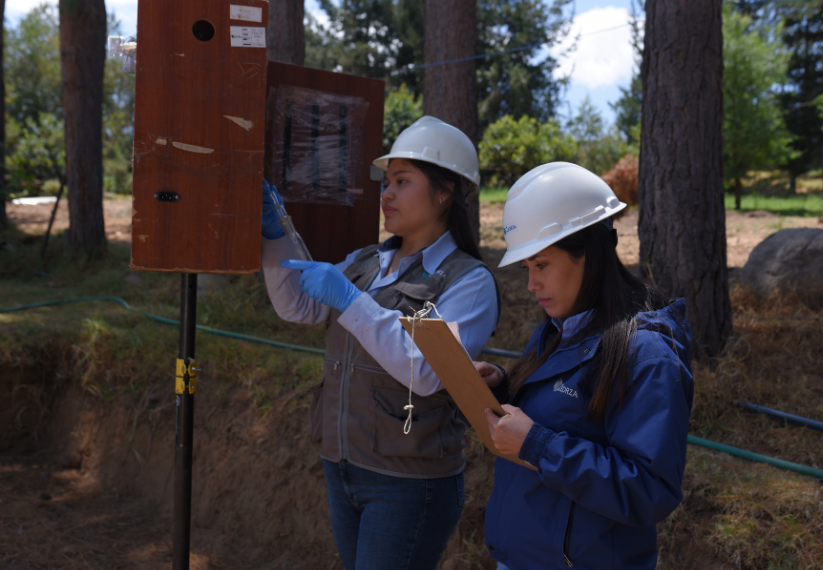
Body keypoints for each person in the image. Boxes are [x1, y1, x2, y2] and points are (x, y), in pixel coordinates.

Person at [260, 116, 500, 570]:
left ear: (445, 192)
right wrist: (275, 238)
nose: (385, 193)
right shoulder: (368, 261)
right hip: (343, 465)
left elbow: (427, 372)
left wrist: (352, 299)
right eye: (386, 182)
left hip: (409, 483)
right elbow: (301, 308)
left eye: (402, 181)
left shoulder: (470, 282)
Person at [474, 162, 694, 570]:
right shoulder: (560, 327)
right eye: (527, 268)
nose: (531, 284)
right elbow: (561, 412)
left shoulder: (647, 354)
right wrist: (503, 386)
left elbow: (649, 489)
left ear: (589, 254)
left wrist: (538, 445)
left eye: (541, 265)